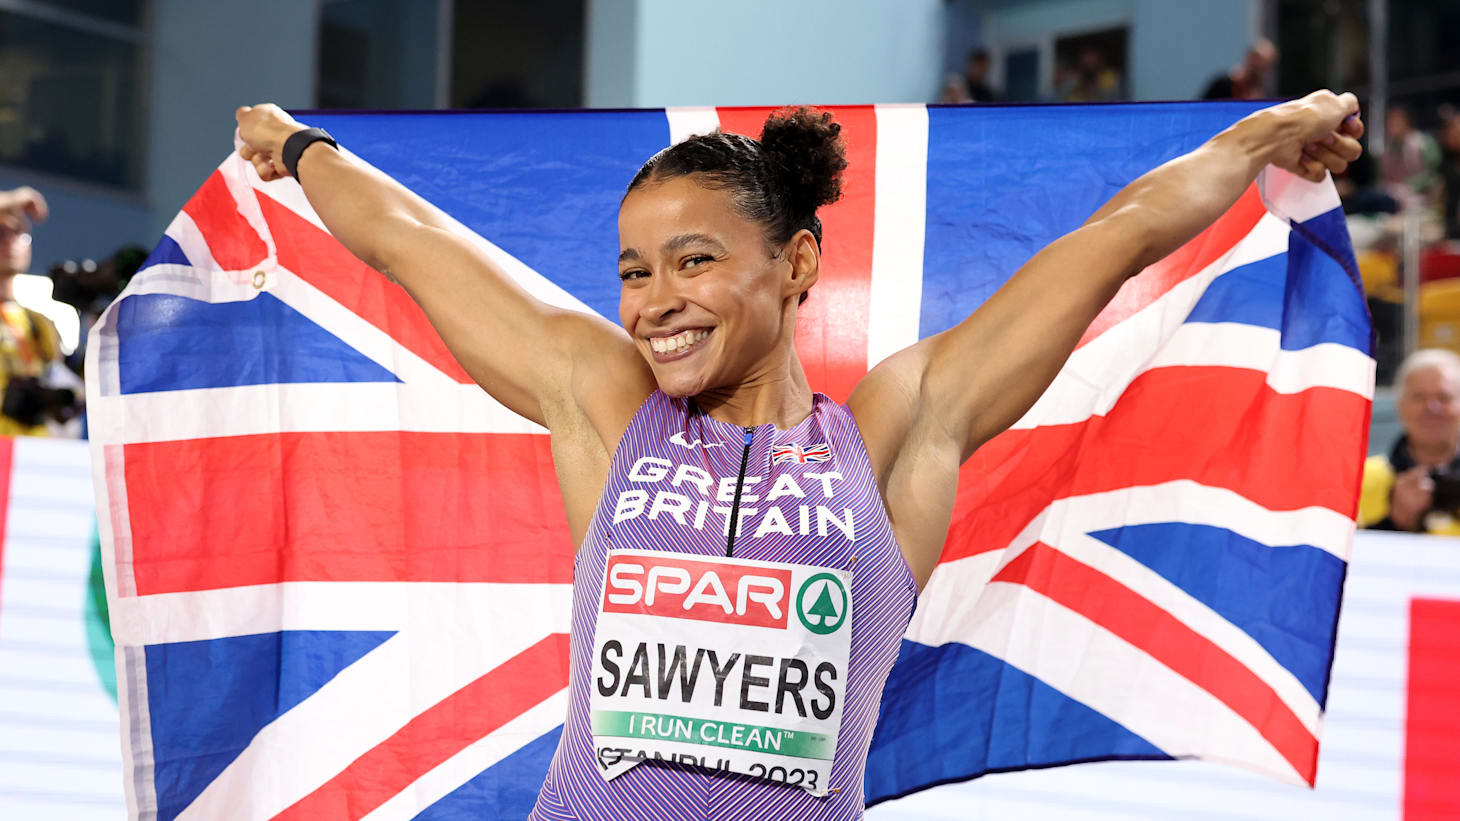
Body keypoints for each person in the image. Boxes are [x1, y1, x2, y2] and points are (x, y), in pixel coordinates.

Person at [235, 89, 1363, 819]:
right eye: (634, 271)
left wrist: (1255, 139)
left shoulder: (892, 435)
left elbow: (1110, 241)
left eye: (693, 260)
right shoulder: (608, 409)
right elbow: (412, 242)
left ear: (796, 263)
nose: (655, 300)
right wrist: (297, 147)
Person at [1359, 349, 1460, 534]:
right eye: (1418, 397)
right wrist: (1394, 522)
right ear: (1400, 406)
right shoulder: (1359, 481)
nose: (1432, 408)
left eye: (1444, 397)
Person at [0, 186, 68, 437]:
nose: (10, 241)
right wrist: (12, 199)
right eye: (0, 232)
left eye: (19, 233)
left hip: (30, 451)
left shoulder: (39, 322)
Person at [1380, 105, 1441, 211]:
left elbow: (1434, 174)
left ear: (1407, 122)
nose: (1392, 125)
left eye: (1396, 121)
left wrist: (1410, 186)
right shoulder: (1388, 148)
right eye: (1389, 122)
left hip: (1422, 199)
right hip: (1394, 198)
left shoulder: (1423, 143)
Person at [1201, 38, 1278, 100]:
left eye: (1267, 65)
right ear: (1249, 59)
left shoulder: (1266, 94)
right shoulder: (1222, 86)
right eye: (1257, 61)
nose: (1261, 68)